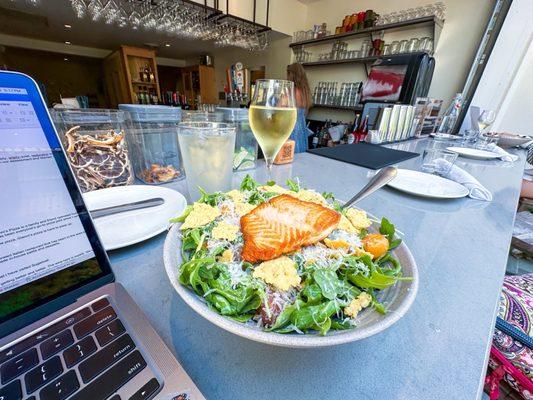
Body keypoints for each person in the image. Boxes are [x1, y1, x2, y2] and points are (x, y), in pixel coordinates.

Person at [287, 63, 313, 153]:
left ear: (291, 74)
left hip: (290, 127)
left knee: (289, 155)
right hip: (302, 127)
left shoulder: (290, 91)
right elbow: (305, 112)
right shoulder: (305, 92)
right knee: (300, 156)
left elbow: (279, 109)